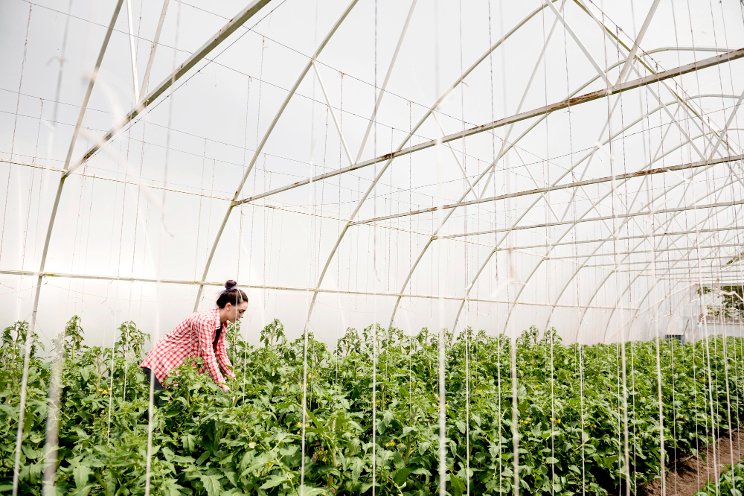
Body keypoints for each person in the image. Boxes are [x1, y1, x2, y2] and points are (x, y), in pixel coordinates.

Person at [140, 280, 248, 392]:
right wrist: (222, 385)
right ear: (229, 306)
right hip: (162, 365)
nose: (242, 316)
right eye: (240, 311)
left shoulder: (221, 324)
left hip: (175, 370)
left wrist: (234, 380)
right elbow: (208, 355)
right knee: (163, 406)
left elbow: (220, 354)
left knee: (175, 405)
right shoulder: (205, 321)